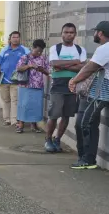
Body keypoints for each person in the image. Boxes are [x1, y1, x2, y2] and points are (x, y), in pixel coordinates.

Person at [69, 21, 109, 169]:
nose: (94, 34)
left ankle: (88, 160)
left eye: (95, 32)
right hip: (93, 94)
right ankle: (84, 157)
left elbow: (90, 68)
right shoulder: (107, 48)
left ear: (100, 33)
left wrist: (74, 80)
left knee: (86, 124)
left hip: (99, 94)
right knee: (84, 124)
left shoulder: (107, 48)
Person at [45, 23, 87, 152]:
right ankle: (48, 140)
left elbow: (83, 67)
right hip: (58, 86)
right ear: (62, 34)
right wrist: (75, 62)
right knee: (53, 115)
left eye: (71, 32)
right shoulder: (55, 48)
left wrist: (62, 65)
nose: (69, 34)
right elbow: (54, 63)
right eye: (66, 32)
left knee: (66, 116)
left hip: (73, 86)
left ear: (75, 34)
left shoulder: (80, 50)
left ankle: (58, 140)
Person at [0, 31, 31, 126]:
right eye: (13, 37)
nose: (15, 39)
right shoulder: (4, 50)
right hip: (3, 79)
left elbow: (31, 62)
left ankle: (14, 120)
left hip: (17, 80)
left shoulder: (25, 50)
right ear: (10, 39)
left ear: (20, 38)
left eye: (17, 37)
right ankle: (7, 119)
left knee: (15, 100)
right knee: (6, 100)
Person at [15, 39, 49, 133]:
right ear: (32, 48)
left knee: (36, 105)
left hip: (38, 86)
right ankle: (20, 124)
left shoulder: (43, 58)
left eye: (40, 51)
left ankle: (34, 125)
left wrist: (42, 70)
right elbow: (18, 68)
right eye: (37, 51)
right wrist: (29, 66)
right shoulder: (25, 57)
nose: (38, 53)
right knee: (24, 105)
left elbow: (48, 71)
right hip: (25, 85)